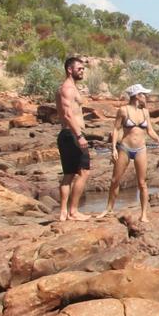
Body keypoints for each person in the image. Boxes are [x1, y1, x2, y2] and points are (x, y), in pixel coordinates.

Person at [98, 83, 159, 222]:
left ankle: (144, 214)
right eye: (143, 94)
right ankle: (109, 209)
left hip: (141, 149)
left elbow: (149, 130)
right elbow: (116, 129)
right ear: (136, 96)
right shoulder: (123, 110)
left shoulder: (144, 111)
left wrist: (158, 139)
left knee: (142, 183)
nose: (145, 96)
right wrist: (114, 148)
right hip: (125, 148)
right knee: (115, 180)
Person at [55, 56, 91, 221]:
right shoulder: (68, 89)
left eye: (83, 69)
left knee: (69, 174)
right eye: (79, 68)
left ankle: (63, 213)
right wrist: (79, 136)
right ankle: (73, 211)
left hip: (66, 134)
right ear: (70, 69)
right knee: (83, 172)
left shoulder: (66, 88)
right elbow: (69, 114)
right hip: (72, 134)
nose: (82, 71)